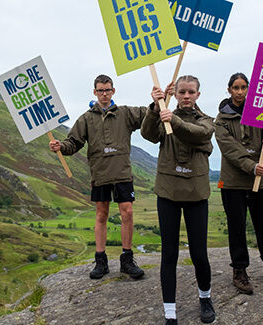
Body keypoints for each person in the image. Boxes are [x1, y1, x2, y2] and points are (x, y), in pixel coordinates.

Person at [49, 74, 145, 280]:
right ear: (95, 92)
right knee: (101, 215)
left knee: (126, 212)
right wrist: (60, 147)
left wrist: (159, 100)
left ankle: (127, 260)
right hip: (100, 173)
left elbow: (149, 114)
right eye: (100, 90)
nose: (104, 94)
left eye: (108, 90)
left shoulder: (126, 113)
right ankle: (100, 262)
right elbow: (73, 143)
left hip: (122, 172)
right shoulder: (86, 118)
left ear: (113, 91)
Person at [142, 76, 215, 324]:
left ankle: (205, 297)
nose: (185, 96)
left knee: (199, 253)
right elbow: (148, 134)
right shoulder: (164, 114)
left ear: (198, 95)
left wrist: (171, 118)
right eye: (182, 92)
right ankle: (169, 312)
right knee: (168, 254)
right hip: (168, 193)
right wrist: (155, 108)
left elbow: (199, 134)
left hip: (196, 194)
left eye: (190, 92)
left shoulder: (206, 121)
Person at [214, 72, 263, 295]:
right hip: (233, 181)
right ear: (229, 89)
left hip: (261, 180)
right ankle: (240, 271)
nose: (240, 92)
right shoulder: (221, 119)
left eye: (244, 87)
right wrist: (251, 166)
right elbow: (230, 149)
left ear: (249, 88)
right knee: (236, 227)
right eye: (236, 88)